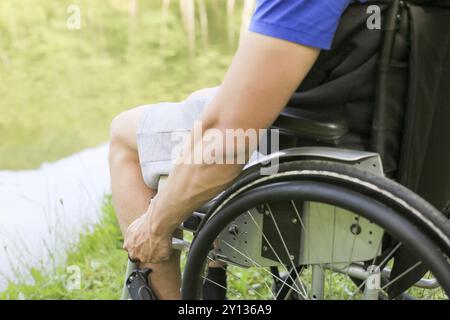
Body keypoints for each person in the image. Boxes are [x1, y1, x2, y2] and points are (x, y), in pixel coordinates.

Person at [109, 0, 367, 299]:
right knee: (201, 100)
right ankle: (214, 268)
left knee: (125, 135)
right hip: (377, 152)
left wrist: (154, 227)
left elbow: (229, 142)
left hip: (306, 154)